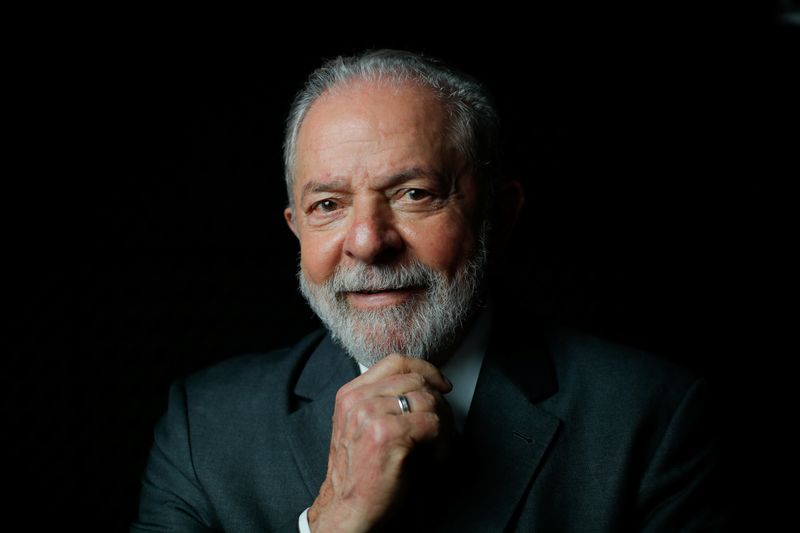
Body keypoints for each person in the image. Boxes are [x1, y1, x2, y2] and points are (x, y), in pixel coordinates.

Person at [132, 49, 729, 532]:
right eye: (328, 205)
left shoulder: (651, 418)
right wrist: (332, 525)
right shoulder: (204, 429)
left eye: (414, 193)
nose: (367, 241)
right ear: (296, 228)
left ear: (502, 212)